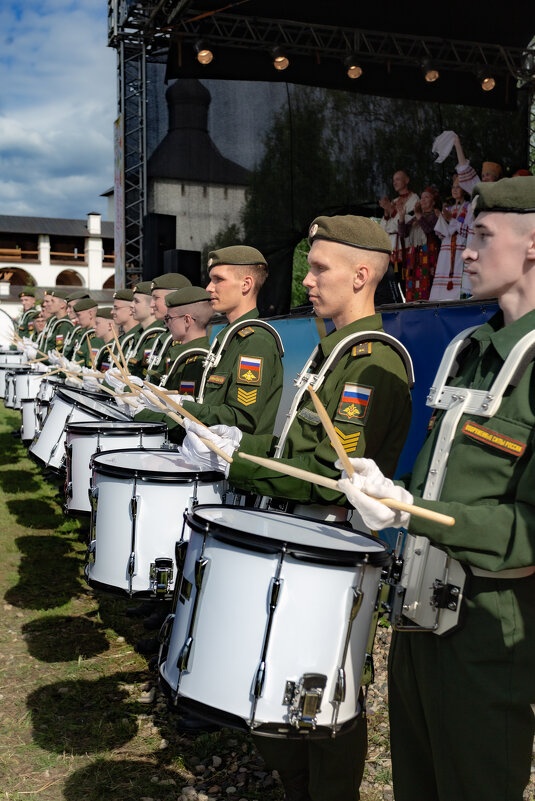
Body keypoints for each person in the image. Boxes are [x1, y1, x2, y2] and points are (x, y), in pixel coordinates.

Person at [181, 216, 413, 801]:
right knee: (280, 702)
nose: (306, 281)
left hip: (329, 551)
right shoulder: (331, 352)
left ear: (362, 275)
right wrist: (226, 443)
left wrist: (237, 462)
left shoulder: (371, 363)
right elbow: (290, 448)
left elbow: (333, 478)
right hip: (297, 534)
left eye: (318, 268)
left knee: (324, 696)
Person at [339, 177, 535, 801]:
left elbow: (527, 532)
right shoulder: (467, 348)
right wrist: (390, 496)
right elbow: (436, 476)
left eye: (482, 236)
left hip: (486, 634)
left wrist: (412, 510)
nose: (467, 252)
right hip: (418, 617)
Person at [136, 246, 284, 442]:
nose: (208, 288)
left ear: (246, 284)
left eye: (218, 280)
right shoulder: (230, 337)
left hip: (233, 463)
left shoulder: (254, 341)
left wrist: (180, 404)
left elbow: (240, 420)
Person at [428, 175, 472, 300]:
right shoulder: (449, 208)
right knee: (443, 273)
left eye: (458, 187)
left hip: (459, 248)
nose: (454, 190)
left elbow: (467, 230)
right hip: (446, 249)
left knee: (457, 275)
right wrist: (440, 219)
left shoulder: (469, 207)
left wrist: (450, 219)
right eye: (453, 187)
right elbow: (443, 233)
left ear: (464, 190)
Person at [378, 170, 419, 301]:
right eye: (393, 179)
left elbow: (405, 223)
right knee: (393, 285)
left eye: (398, 179)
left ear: (406, 180)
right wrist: (386, 212)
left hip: (407, 247)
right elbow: (384, 227)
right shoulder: (394, 201)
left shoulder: (414, 199)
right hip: (393, 251)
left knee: (408, 282)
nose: (395, 182)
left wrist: (391, 211)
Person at [145, 272, 192, 384]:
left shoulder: (186, 335)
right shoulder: (164, 336)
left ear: (175, 299)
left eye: (156, 298)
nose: (151, 304)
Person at [398, 187, 441, 301]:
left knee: (426, 282)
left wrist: (419, 216)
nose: (422, 200)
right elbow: (403, 233)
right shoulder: (414, 218)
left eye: (426, 197)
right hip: (414, 256)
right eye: (421, 198)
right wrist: (402, 216)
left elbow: (429, 231)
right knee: (413, 283)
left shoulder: (436, 216)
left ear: (434, 202)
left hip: (429, 254)